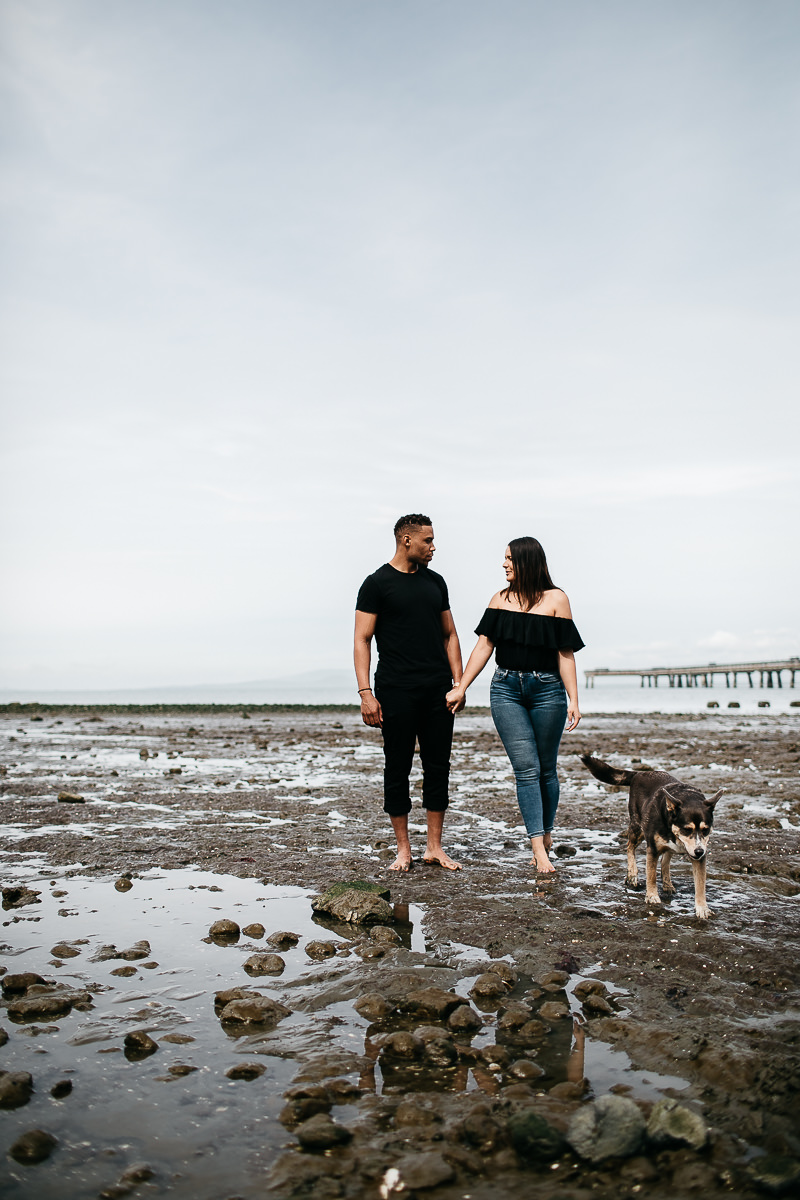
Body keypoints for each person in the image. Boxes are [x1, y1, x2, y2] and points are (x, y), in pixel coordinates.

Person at [446, 537, 583, 873]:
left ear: (526, 562)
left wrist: (573, 699)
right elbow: (483, 647)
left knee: (547, 769)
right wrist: (461, 686)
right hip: (505, 689)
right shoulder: (499, 600)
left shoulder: (556, 600)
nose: (504, 564)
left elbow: (565, 653)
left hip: (548, 690)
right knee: (526, 769)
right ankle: (538, 849)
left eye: (509, 559)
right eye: (504, 559)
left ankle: (546, 832)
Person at [354, 514, 464, 872]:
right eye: (427, 540)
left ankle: (434, 847)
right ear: (407, 541)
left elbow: (450, 634)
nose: (433, 547)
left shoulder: (436, 583)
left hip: (437, 691)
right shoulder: (376, 584)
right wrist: (366, 693)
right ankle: (404, 849)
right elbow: (362, 639)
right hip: (395, 690)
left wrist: (458, 684)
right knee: (396, 767)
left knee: (438, 767)